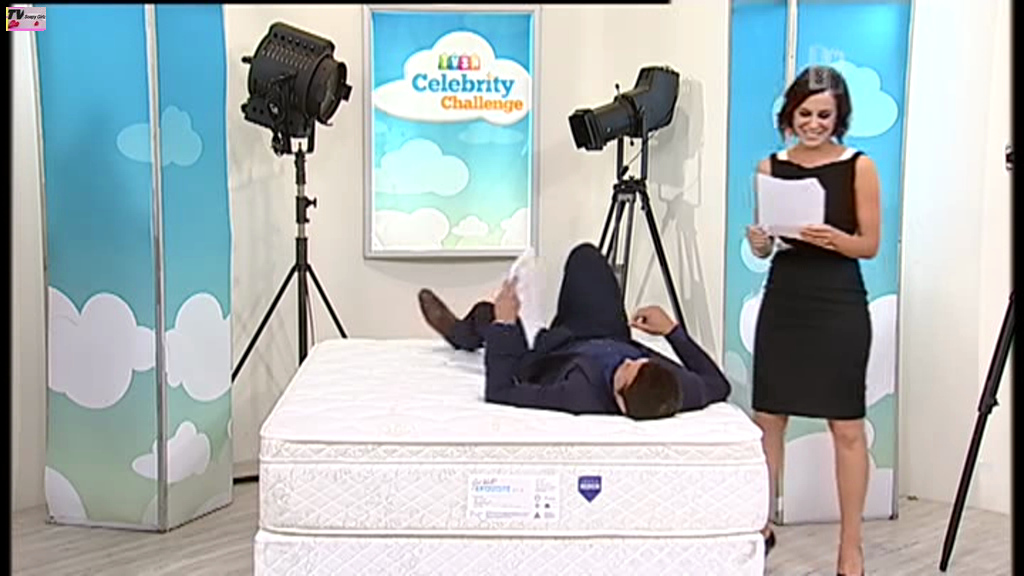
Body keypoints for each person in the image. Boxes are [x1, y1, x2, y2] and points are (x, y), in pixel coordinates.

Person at [746, 65, 880, 576]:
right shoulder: (770, 167)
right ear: (790, 114)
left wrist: (836, 240)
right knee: (769, 419)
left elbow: (868, 244)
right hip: (785, 299)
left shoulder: (859, 167)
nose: (814, 123)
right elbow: (767, 246)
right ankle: (760, 526)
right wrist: (760, 242)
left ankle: (851, 547)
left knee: (845, 425)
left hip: (839, 302)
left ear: (838, 116)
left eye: (824, 115)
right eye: (805, 113)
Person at [417, 242, 731, 420]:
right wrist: (672, 330)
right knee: (586, 257)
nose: (628, 361)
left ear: (620, 402)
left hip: (554, 350)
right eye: (638, 362)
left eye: (626, 370)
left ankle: (460, 333)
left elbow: (500, 392)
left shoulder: (579, 395)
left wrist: (505, 324)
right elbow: (719, 385)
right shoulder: (677, 389)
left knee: (492, 314)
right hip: (604, 332)